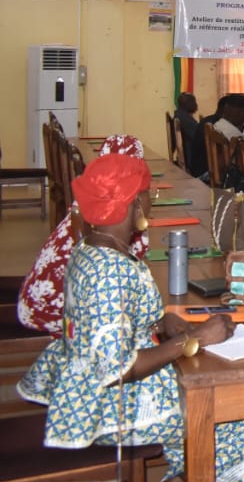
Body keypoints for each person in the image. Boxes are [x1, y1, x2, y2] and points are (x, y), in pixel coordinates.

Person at [18, 153, 244, 482]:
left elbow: (107, 325)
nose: (149, 203)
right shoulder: (110, 273)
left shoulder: (92, 248)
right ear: (131, 204)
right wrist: (193, 338)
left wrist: (157, 322)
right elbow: (117, 368)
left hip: (88, 389)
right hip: (109, 405)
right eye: (146, 196)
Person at [18, 134, 150, 335]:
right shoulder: (115, 232)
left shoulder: (91, 205)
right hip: (52, 325)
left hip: (39, 305)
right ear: (135, 198)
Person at [174, 92, 205, 176]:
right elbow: (198, 136)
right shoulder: (184, 118)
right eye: (194, 102)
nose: (196, 105)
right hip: (192, 159)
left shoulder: (179, 114)